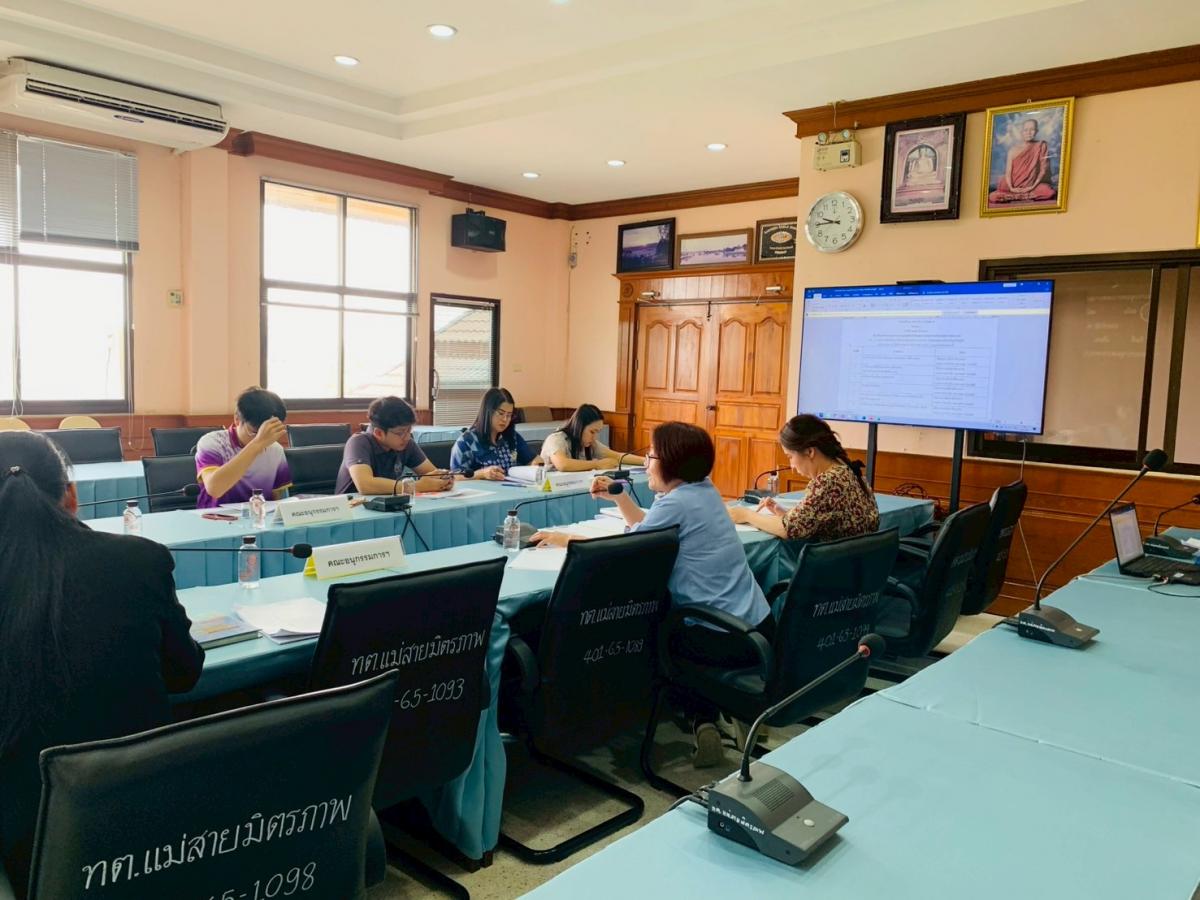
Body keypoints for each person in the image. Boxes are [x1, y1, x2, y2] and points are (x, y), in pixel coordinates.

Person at [0, 432, 204, 896]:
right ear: (71, 496)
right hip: (142, 827)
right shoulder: (140, 560)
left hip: (22, 843)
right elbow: (184, 673)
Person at [533, 421, 771, 768]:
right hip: (757, 628)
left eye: (652, 455)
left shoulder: (676, 504)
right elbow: (648, 531)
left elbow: (629, 550)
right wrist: (620, 497)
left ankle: (697, 718)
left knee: (647, 628)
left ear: (673, 463)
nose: (646, 463)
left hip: (720, 637)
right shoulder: (704, 490)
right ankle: (713, 717)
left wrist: (563, 538)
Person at [729, 414, 879, 541]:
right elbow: (813, 520)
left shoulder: (827, 482)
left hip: (835, 565)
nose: (792, 466)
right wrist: (785, 514)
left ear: (810, 452)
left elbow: (789, 530)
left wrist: (746, 515)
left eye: (790, 456)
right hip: (857, 563)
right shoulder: (848, 469)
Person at [195, 386, 292, 508]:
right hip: (215, 515)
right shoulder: (213, 443)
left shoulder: (275, 449)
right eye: (256, 433)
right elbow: (214, 489)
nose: (266, 439)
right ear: (237, 419)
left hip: (260, 516)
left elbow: (281, 497)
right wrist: (257, 444)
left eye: (271, 432)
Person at [335, 396, 454, 495]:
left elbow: (432, 473)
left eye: (409, 430)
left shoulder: (406, 443)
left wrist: (443, 480)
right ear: (379, 433)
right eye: (400, 433)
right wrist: (416, 486)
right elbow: (365, 485)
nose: (407, 437)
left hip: (389, 506)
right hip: (351, 509)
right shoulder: (358, 443)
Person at [450, 387, 541, 480]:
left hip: (513, 487)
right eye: (501, 413)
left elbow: (533, 459)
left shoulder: (512, 437)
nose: (505, 419)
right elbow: (454, 477)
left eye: (509, 415)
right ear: (488, 411)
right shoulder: (466, 442)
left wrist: (536, 464)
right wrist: (482, 474)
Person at [540, 403, 644, 472]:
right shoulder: (556, 439)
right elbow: (563, 464)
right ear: (579, 427)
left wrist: (647, 461)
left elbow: (617, 456)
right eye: (592, 432)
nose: (594, 437)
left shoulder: (590, 443)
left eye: (597, 432)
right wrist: (597, 464)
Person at [988, 117, 1056, 204]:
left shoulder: (1041, 145)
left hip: (1032, 185)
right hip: (1013, 185)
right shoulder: (1013, 150)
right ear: (1022, 132)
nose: (1028, 132)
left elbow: (1043, 170)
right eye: (1025, 130)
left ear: (1037, 131)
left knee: (1048, 191)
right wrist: (1012, 188)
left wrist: (1032, 187)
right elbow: (1008, 172)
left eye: (1032, 129)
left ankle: (1015, 197)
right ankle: (1022, 196)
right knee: (993, 196)